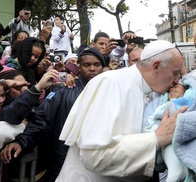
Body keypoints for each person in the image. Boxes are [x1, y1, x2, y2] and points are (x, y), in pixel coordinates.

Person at [56, 40, 187, 181]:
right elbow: (94, 156)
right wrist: (156, 138)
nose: (176, 81)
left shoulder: (156, 91)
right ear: (156, 66)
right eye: (175, 73)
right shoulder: (110, 83)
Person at [0, 47, 105, 181]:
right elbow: (42, 120)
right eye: (87, 65)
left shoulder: (110, 93)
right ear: (78, 66)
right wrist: (21, 142)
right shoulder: (64, 90)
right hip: (65, 160)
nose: (92, 69)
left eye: (97, 65)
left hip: (97, 160)